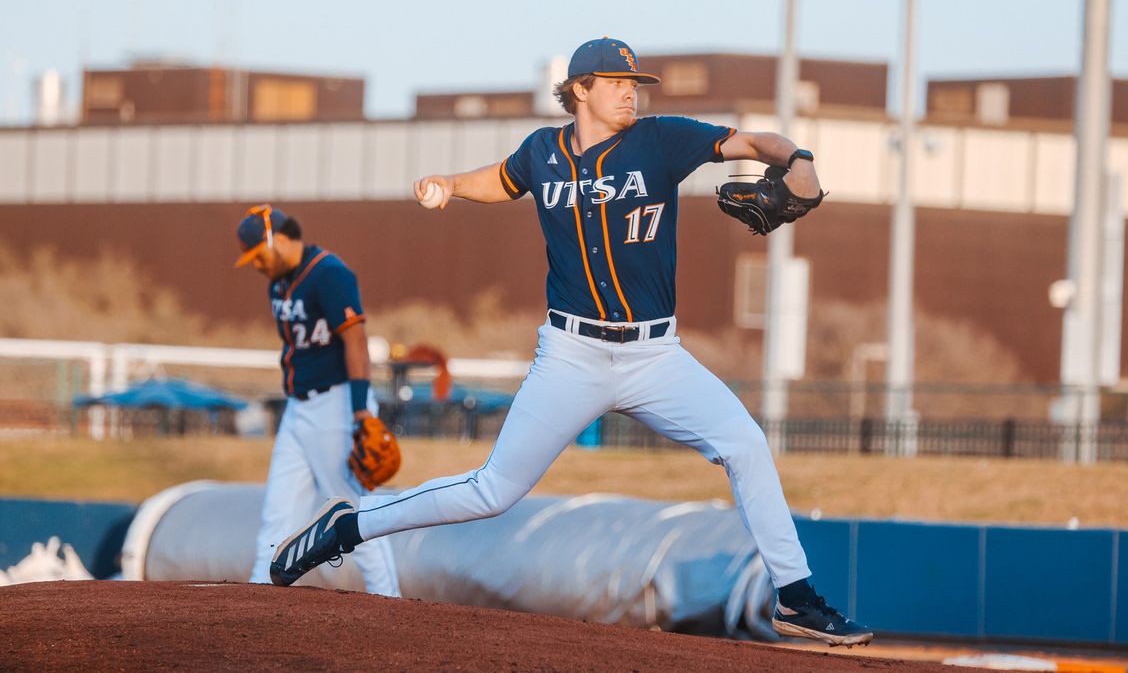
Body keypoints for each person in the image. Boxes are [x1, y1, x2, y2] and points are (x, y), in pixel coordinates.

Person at [269, 38, 871, 646]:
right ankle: (350, 528)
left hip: (655, 356)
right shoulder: (542, 153)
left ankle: (794, 596)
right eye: (615, 82)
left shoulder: (662, 139)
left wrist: (799, 156)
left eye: (635, 82)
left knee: (745, 444)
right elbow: (502, 180)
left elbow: (751, 142)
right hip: (571, 356)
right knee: (492, 491)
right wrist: (450, 184)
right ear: (579, 89)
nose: (630, 91)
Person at [233, 204, 399, 598]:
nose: (256, 265)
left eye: (258, 255)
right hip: (298, 409)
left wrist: (361, 413)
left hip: (337, 407)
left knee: (357, 516)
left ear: (279, 240)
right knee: (276, 516)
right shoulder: (279, 282)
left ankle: (392, 604)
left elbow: (355, 341)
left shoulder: (329, 273)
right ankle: (259, 600)